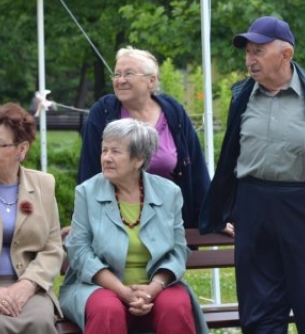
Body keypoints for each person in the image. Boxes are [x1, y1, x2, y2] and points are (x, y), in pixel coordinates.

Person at [199, 15, 305, 333]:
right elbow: (231, 153)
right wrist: (230, 208)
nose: (250, 59)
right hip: (254, 207)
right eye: (247, 52)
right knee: (259, 311)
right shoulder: (242, 94)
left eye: (258, 51)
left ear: (286, 54)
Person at [59, 118, 207, 334]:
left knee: (174, 307)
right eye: (104, 150)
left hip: (156, 283)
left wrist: (152, 289)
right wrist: (123, 291)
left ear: (138, 159)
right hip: (99, 286)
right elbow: (79, 251)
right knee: (107, 309)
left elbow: (177, 250)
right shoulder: (87, 192)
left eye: (115, 152)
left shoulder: (169, 192)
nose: (106, 158)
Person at [77, 46, 209, 228]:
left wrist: (209, 217)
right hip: (115, 222)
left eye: (129, 74)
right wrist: (84, 221)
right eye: (116, 75)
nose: (120, 80)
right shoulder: (103, 112)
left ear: (151, 81)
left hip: (170, 220)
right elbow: (90, 170)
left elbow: (195, 168)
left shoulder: (173, 112)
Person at [0, 103, 64, 333]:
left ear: (22, 149)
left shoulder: (43, 185)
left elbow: (52, 247)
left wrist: (27, 284)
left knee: (39, 321)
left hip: (28, 285)